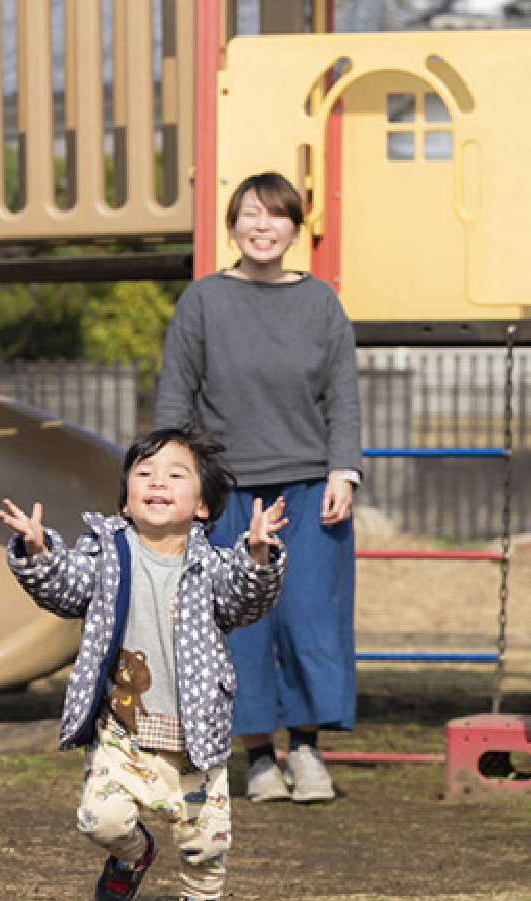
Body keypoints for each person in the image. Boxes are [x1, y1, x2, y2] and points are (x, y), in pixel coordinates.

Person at [0, 425, 286, 901]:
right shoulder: (107, 555)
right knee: (99, 819)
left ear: (201, 505)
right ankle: (132, 855)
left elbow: (245, 602)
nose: (158, 483)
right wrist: (38, 551)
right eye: (145, 473)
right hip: (123, 732)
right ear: (126, 501)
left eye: (176, 475)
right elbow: (67, 587)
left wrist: (258, 557)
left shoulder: (216, 565)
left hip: (193, 734)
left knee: (206, 836)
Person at [153, 170, 362, 806]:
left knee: (309, 620)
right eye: (249, 214)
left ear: (296, 228)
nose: (261, 226)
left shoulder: (321, 302)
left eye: (275, 216)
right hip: (227, 494)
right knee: (237, 626)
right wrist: (177, 483)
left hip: (307, 490)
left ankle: (306, 748)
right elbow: (174, 396)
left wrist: (342, 470)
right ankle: (258, 757)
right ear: (233, 225)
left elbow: (343, 396)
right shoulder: (203, 301)